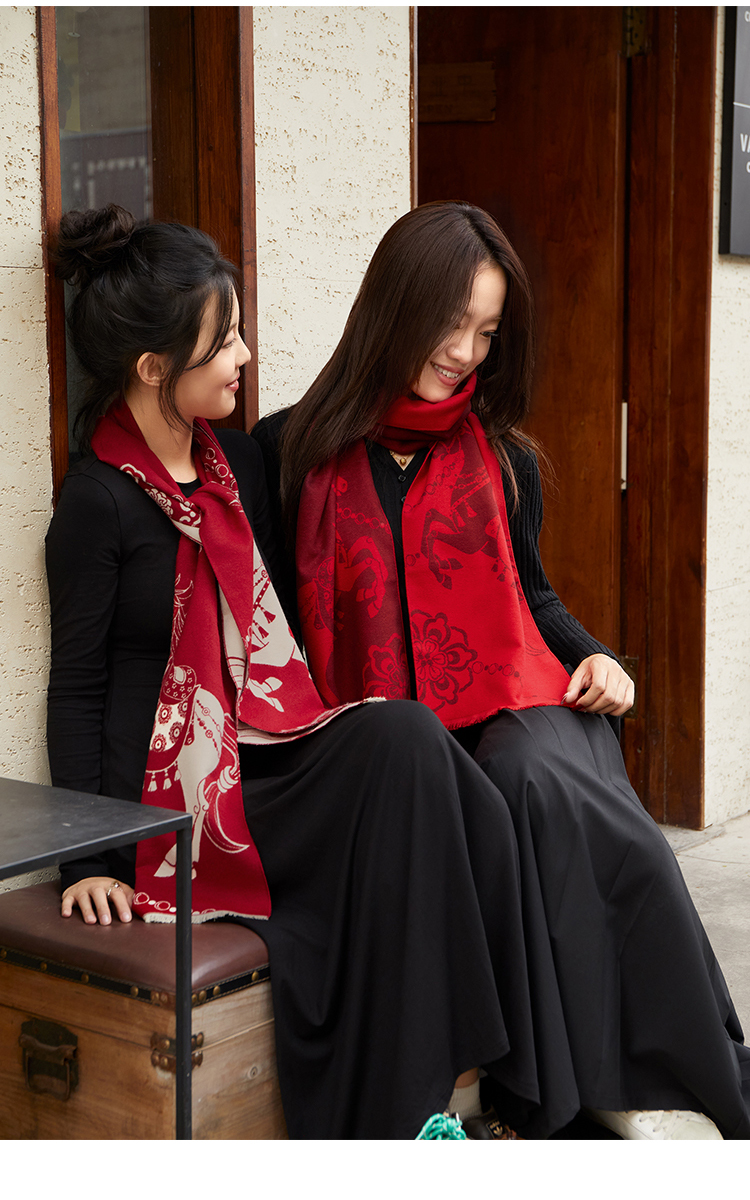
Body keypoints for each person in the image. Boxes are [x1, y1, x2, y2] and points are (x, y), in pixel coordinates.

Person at [45, 203, 566, 1140]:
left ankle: (463, 1088)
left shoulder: (241, 464)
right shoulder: (97, 503)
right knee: (417, 800)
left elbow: (287, 622)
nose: (245, 357)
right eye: (223, 343)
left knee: (408, 743)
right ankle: (435, 1108)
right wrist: (88, 857)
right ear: (155, 367)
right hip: (174, 802)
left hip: (262, 753)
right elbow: (78, 688)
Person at [252, 200, 750, 1141]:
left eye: (486, 332)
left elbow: (537, 596)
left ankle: (692, 1074)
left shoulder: (503, 458)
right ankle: (543, 1094)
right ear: (396, 308)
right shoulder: (289, 452)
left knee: (567, 801)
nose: (467, 353)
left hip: (504, 698)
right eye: (454, 324)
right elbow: (266, 634)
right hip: (380, 739)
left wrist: (597, 655)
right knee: (489, 795)